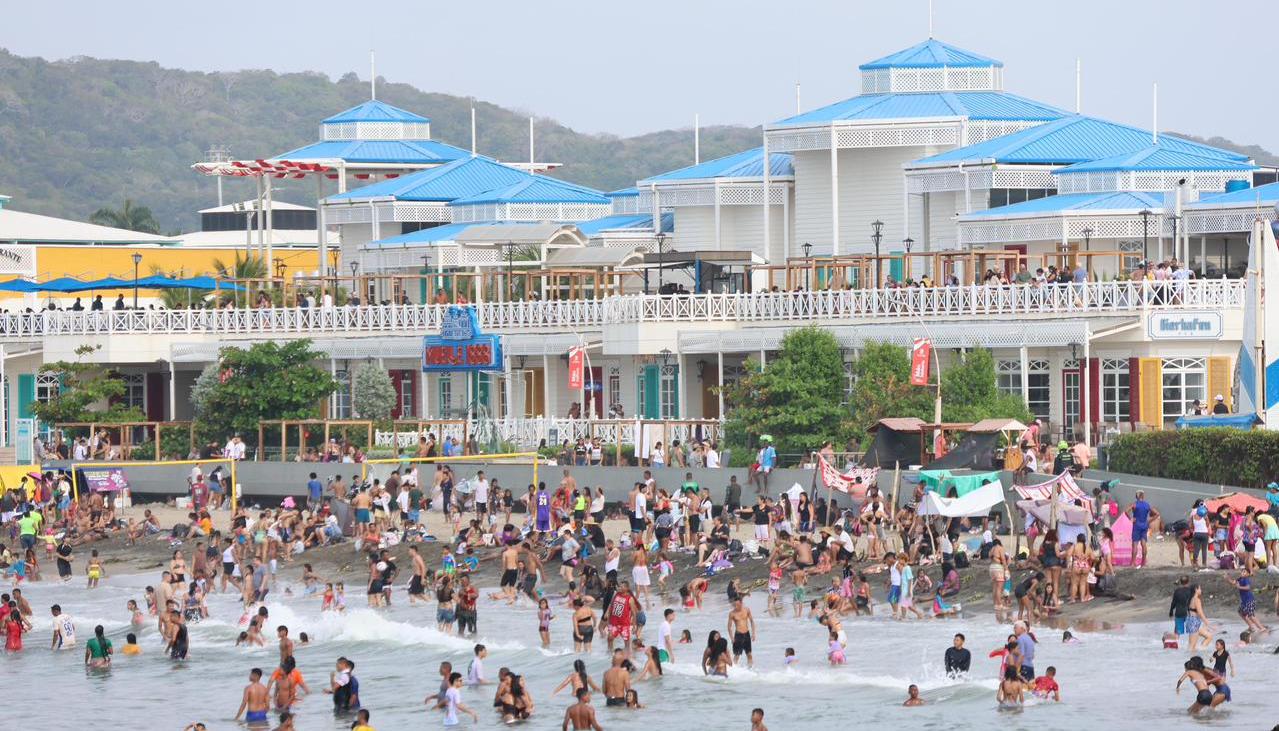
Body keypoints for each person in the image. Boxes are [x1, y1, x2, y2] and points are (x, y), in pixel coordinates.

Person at [1126, 491, 1160, 568]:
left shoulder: (1134, 504)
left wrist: (1131, 519)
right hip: (1144, 525)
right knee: (1143, 544)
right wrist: (1149, 520)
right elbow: (1157, 514)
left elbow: (1126, 511)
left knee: (1135, 544)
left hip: (1137, 525)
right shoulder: (1147, 505)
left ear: (1136, 496)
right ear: (1143, 496)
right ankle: (1143, 562)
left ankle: (1133, 563)